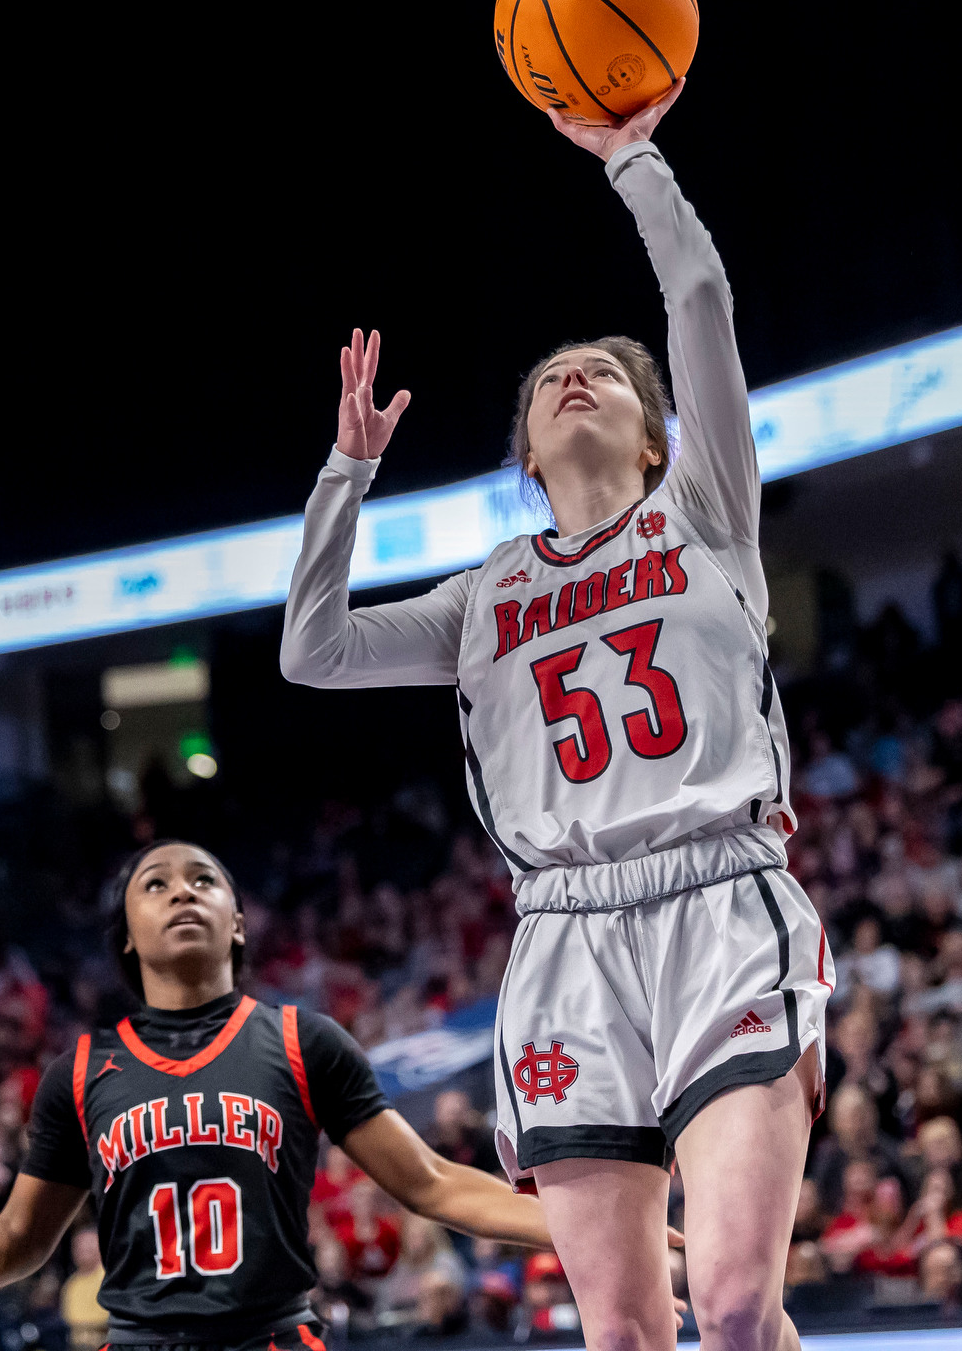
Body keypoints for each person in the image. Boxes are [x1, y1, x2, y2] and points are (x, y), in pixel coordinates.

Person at [279, 79, 832, 1351]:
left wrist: (632, 160)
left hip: (719, 902)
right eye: (549, 382)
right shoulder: (481, 598)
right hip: (561, 942)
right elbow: (310, 651)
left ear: (657, 440)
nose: (573, 378)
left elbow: (695, 304)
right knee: (624, 1334)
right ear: (524, 453)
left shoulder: (703, 512)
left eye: (603, 375)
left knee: (740, 1305)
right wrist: (345, 472)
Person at [0, 842, 571, 1351]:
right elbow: (18, 1239)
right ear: (126, 935)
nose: (183, 889)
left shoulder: (301, 1041)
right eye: (156, 883)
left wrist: (579, 1231)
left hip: (275, 1335)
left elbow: (433, 1184)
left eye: (204, 880)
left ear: (238, 922)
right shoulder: (81, 1072)